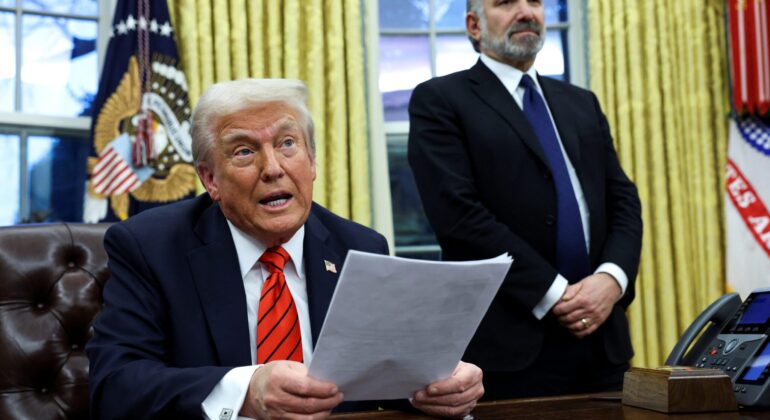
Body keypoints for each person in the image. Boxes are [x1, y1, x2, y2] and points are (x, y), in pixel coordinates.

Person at [87, 78, 484, 418]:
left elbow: (388, 376)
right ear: (210, 179)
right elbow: (115, 387)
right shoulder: (150, 247)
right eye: (244, 151)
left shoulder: (358, 247)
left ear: (312, 162)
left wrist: (439, 385)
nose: (273, 168)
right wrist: (247, 391)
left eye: (287, 143)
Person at [407, 0, 643, 400]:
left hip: (603, 342)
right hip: (509, 349)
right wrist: (554, 293)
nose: (526, 12)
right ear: (474, 26)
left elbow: (623, 200)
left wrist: (611, 279)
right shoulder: (440, 100)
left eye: (534, 1)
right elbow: (458, 216)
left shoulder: (581, 102)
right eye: (505, 3)